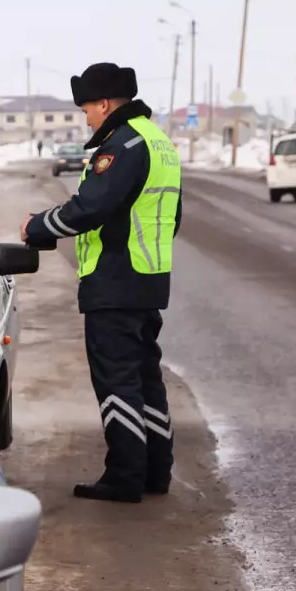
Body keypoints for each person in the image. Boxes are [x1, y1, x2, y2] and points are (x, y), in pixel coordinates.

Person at [18, 62, 182, 503]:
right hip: (148, 279)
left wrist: (38, 227)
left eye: (87, 108)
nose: (86, 117)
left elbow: (90, 207)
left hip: (115, 281)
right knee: (146, 378)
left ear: (105, 104)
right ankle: (155, 471)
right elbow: (172, 218)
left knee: (116, 382)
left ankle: (125, 475)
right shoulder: (158, 142)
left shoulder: (122, 145)